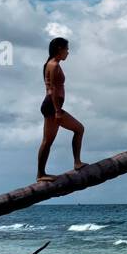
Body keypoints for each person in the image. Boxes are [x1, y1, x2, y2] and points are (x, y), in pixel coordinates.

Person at [37, 37, 86, 181]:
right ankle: (76, 163)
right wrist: (58, 111)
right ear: (60, 49)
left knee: (48, 141)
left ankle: (41, 173)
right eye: (67, 49)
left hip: (52, 106)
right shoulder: (53, 65)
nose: (68, 52)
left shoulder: (53, 64)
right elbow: (52, 88)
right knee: (79, 129)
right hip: (52, 107)